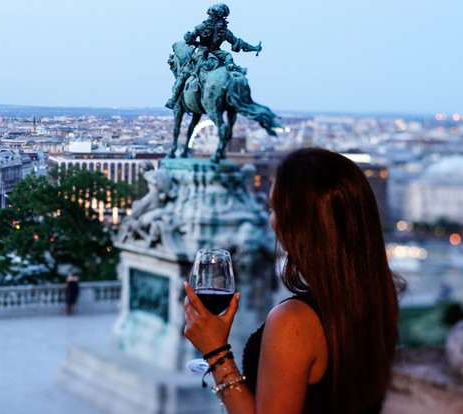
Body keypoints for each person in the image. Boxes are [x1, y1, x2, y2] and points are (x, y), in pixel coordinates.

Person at [183, 147, 404, 413]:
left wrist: (216, 353)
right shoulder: (376, 296)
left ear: (300, 222)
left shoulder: (294, 321)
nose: (271, 221)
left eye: (275, 209)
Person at [166, 3, 262, 109]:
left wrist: (189, 38)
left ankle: (173, 100)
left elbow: (189, 39)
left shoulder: (201, 27)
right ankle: (230, 67)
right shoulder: (224, 31)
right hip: (218, 54)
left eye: (211, 15)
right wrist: (254, 48)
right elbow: (239, 43)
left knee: (183, 75)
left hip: (202, 55)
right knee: (228, 57)